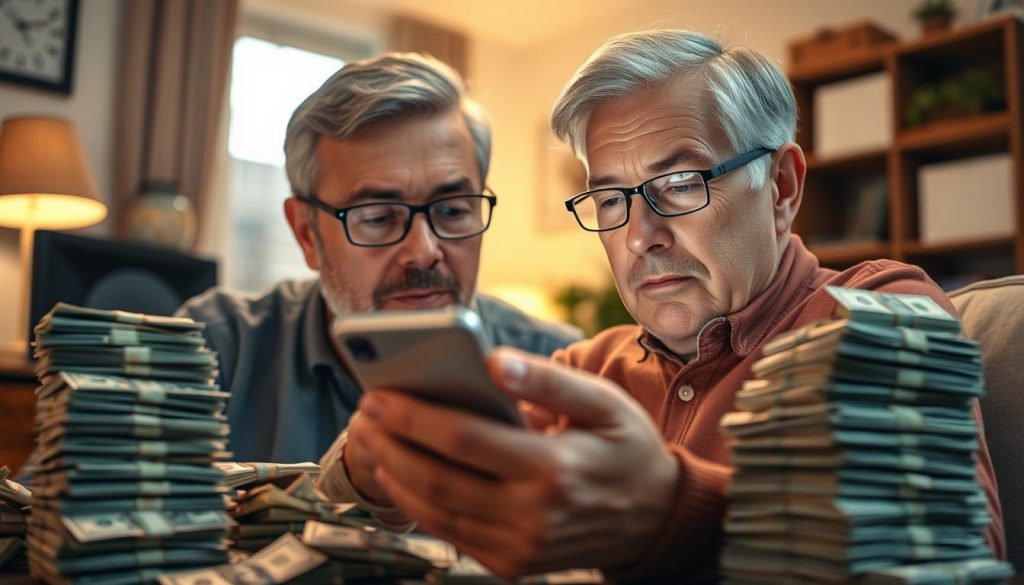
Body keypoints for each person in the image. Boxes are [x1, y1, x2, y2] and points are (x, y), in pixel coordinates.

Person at [331, 30, 1006, 582]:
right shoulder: (586, 370)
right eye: (610, 199)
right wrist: (373, 470)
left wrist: (670, 516)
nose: (638, 236)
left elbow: (944, 566)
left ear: (781, 186)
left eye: (680, 182)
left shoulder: (879, 315)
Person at [177, 53, 581, 464]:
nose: (424, 252)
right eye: (377, 218)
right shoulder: (214, 350)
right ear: (306, 233)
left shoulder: (560, 365)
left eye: (452, 210)